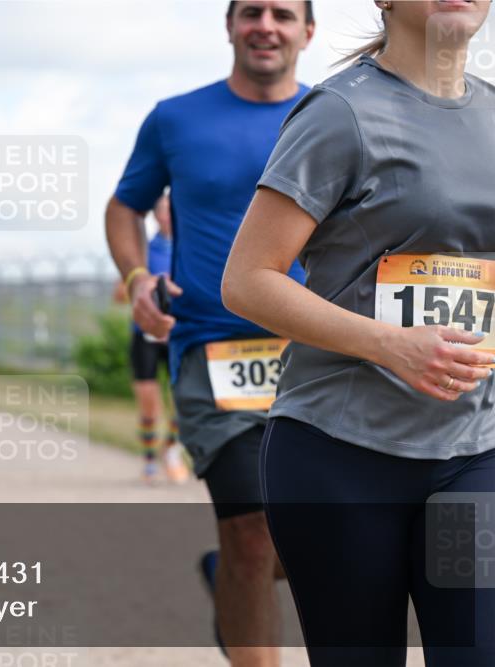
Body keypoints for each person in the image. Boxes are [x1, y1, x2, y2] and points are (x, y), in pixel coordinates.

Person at [222, 1, 494, 664]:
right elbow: (248, 279)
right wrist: (387, 343)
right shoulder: (341, 112)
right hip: (341, 456)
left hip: (473, 451)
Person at [105, 2, 314, 663]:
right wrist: (139, 276)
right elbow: (125, 205)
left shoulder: (335, 116)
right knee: (251, 530)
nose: (266, 25)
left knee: (320, 535)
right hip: (212, 348)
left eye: (284, 13)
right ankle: (238, 572)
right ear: (229, 26)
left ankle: (226, 576)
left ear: (309, 33)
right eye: (251, 11)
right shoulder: (176, 118)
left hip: (321, 354)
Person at [114, 192, 190, 484]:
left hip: (177, 334)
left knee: (184, 401)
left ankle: (170, 450)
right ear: (155, 215)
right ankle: (148, 464)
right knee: (149, 404)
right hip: (145, 335)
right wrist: (144, 287)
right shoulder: (143, 251)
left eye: (172, 210)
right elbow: (120, 294)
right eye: (162, 211)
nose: (167, 216)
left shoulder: (190, 249)